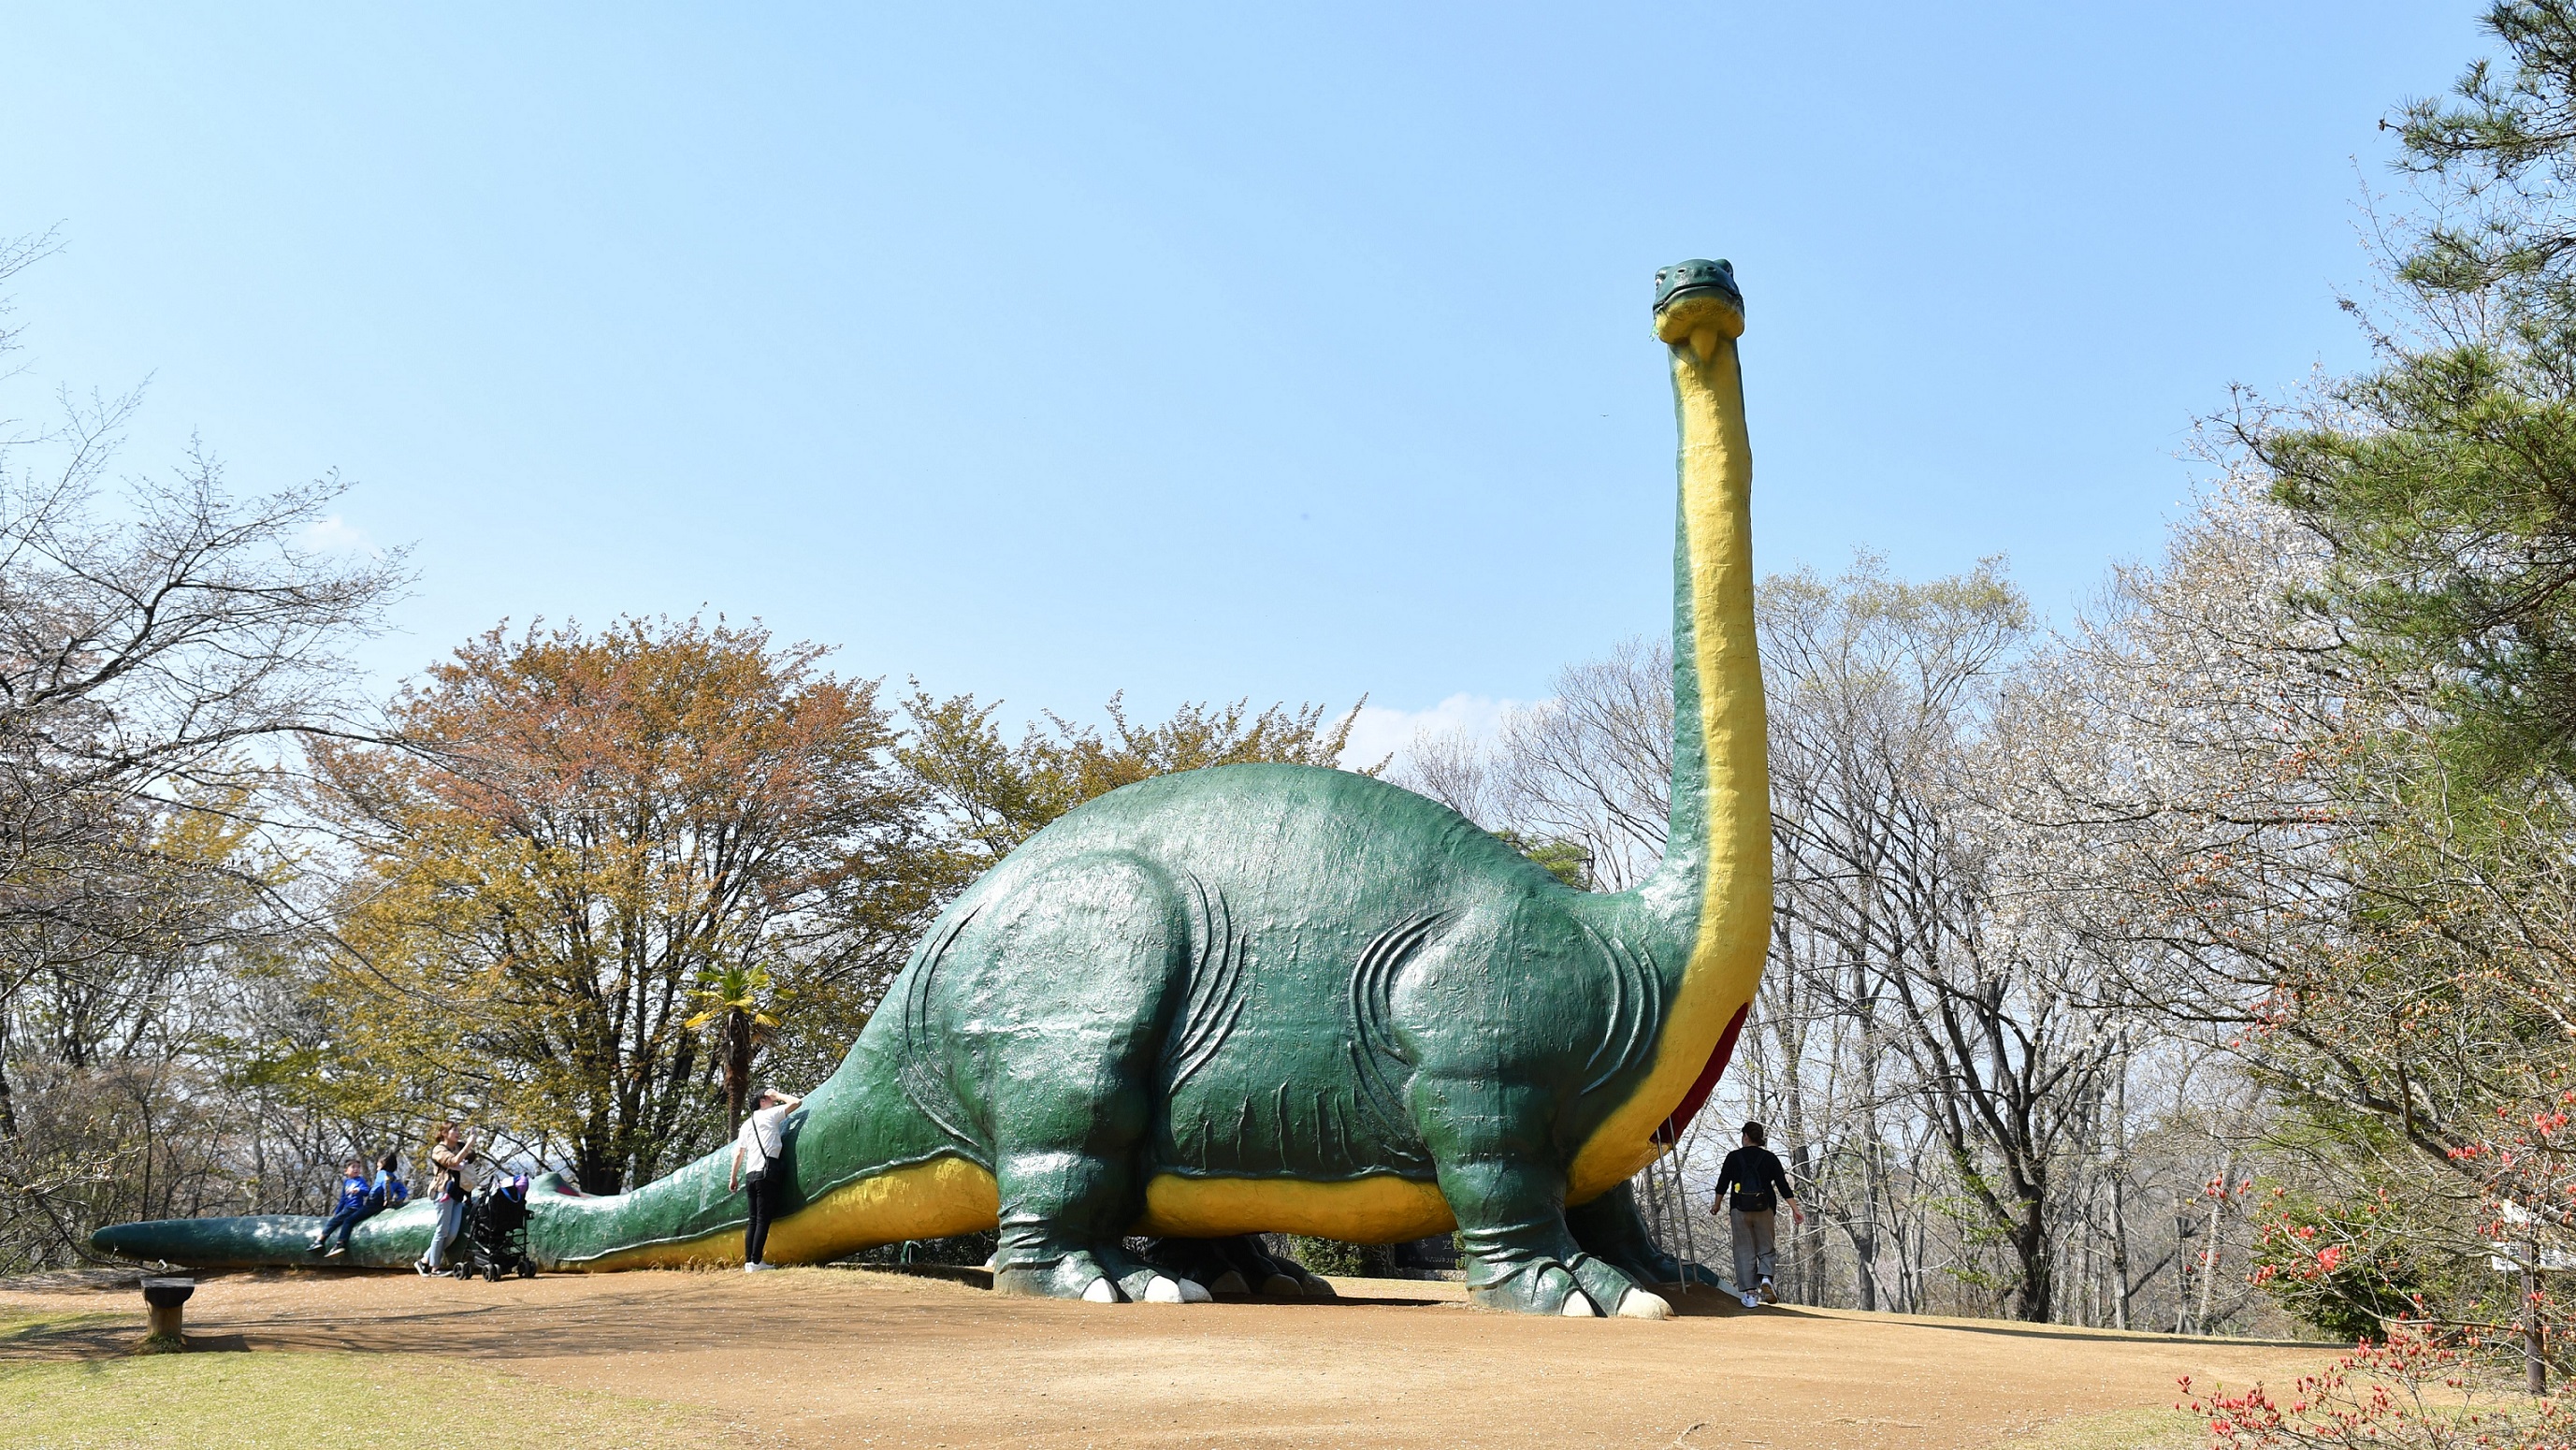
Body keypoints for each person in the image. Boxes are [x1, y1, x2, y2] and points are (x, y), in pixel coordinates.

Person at [1713, 1120, 1804, 1309]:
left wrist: (1717, 1205)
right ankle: (1766, 1278)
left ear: (1745, 1136)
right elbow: (1783, 1186)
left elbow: (1722, 1183)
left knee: (1744, 1250)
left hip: (1739, 1209)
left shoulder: (1733, 1157)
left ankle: (1751, 1295)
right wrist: (1795, 1209)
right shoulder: (1770, 1158)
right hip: (1765, 1208)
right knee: (1767, 1247)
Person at [727, 1088, 803, 1272]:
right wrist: (778, 1095)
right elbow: (796, 1102)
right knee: (762, 1219)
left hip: (750, 1175)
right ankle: (756, 1261)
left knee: (753, 1220)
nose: (773, 1100)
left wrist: (733, 1177)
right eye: (769, 1098)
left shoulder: (746, 1124)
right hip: (766, 1173)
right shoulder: (769, 1114)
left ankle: (749, 1262)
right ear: (762, 1101)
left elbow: (738, 1153)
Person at [417, 1124, 485, 1277]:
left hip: (458, 1194)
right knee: (442, 1230)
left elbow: (471, 1157)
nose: (458, 1133)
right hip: (442, 1192)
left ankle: (424, 1260)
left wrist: (471, 1141)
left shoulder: (459, 1146)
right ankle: (435, 1268)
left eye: (458, 1130)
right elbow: (453, 1162)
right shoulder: (438, 1150)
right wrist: (469, 1144)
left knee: (452, 1233)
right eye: (454, 1130)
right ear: (444, 1133)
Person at [310, 1158, 370, 1255]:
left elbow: (367, 1191)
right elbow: (343, 1199)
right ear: (346, 1171)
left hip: (354, 1207)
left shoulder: (360, 1180)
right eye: (353, 1167)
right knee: (336, 1221)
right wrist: (337, 1212)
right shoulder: (347, 1182)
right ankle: (333, 1243)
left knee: (332, 1223)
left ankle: (320, 1241)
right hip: (347, 1208)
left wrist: (359, 1190)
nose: (356, 1169)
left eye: (358, 1167)